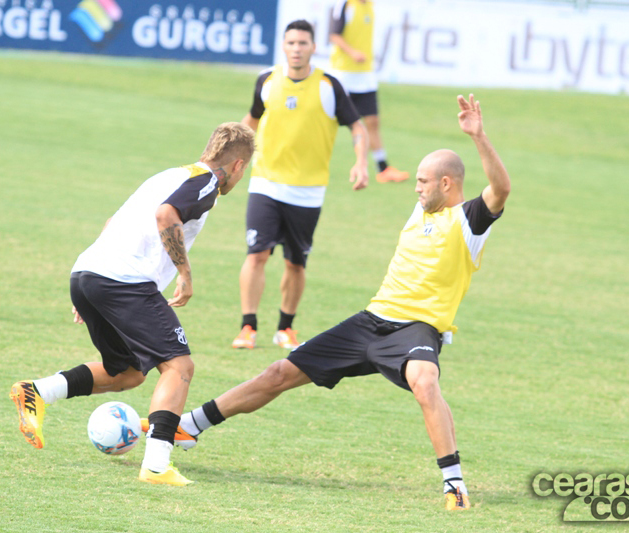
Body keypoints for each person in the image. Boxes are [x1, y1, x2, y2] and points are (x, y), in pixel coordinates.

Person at [177, 95, 510, 510]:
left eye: (423, 180)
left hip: (415, 330)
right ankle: (191, 425)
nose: (415, 186)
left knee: (425, 383)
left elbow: (501, 188)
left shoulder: (468, 220)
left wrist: (478, 136)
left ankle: (454, 484)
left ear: (447, 184)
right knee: (279, 372)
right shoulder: (421, 212)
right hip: (370, 321)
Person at [9, 122, 256, 486]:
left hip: (89, 274)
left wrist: (93, 287)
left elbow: (114, 220)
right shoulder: (206, 182)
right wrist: (184, 272)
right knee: (179, 367)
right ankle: (157, 465)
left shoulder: (169, 174)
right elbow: (166, 215)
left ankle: (36, 392)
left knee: (128, 373)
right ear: (237, 166)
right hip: (123, 281)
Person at [232, 19, 369, 352]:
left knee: (296, 262)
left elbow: (357, 127)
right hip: (265, 183)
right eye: (291, 43)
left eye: (303, 43)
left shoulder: (328, 85)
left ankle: (285, 328)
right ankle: (248, 326)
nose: (296, 49)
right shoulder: (266, 80)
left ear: (313, 47)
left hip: (308, 191)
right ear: (283, 46)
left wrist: (361, 162)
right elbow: (251, 118)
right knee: (257, 255)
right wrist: (230, 153)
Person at [329, 0, 410, 184]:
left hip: (365, 74)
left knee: (372, 121)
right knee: (328, 120)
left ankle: (383, 169)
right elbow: (334, 35)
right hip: (343, 73)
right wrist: (352, 53)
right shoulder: (344, 4)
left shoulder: (371, 6)